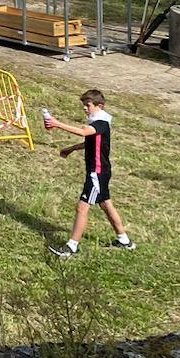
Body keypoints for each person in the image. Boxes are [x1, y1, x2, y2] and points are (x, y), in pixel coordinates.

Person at [46, 89, 135, 256]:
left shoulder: (100, 122)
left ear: (99, 106)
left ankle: (70, 247)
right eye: (83, 105)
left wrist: (57, 123)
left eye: (88, 105)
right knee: (106, 204)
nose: (85, 109)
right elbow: (92, 143)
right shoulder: (96, 121)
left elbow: (83, 132)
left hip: (97, 172)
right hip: (101, 172)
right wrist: (71, 148)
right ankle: (124, 241)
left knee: (81, 208)